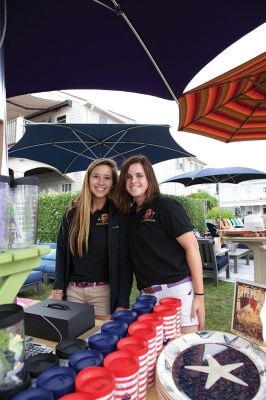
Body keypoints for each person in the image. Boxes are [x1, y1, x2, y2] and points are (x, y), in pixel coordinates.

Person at [115, 155, 205, 333]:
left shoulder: (166, 206)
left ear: (149, 177)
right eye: (128, 176)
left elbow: (192, 247)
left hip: (177, 292)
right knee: (155, 356)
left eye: (139, 175)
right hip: (147, 297)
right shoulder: (129, 215)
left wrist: (199, 296)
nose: (134, 181)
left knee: (186, 354)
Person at [49, 158, 131, 319]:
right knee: (72, 342)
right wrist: (57, 290)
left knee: (102, 343)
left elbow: (124, 263)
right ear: (88, 179)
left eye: (107, 177)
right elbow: (62, 253)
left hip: (103, 294)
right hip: (73, 292)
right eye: (96, 176)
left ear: (113, 183)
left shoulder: (119, 215)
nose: (101, 182)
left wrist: (122, 303)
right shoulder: (71, 214)